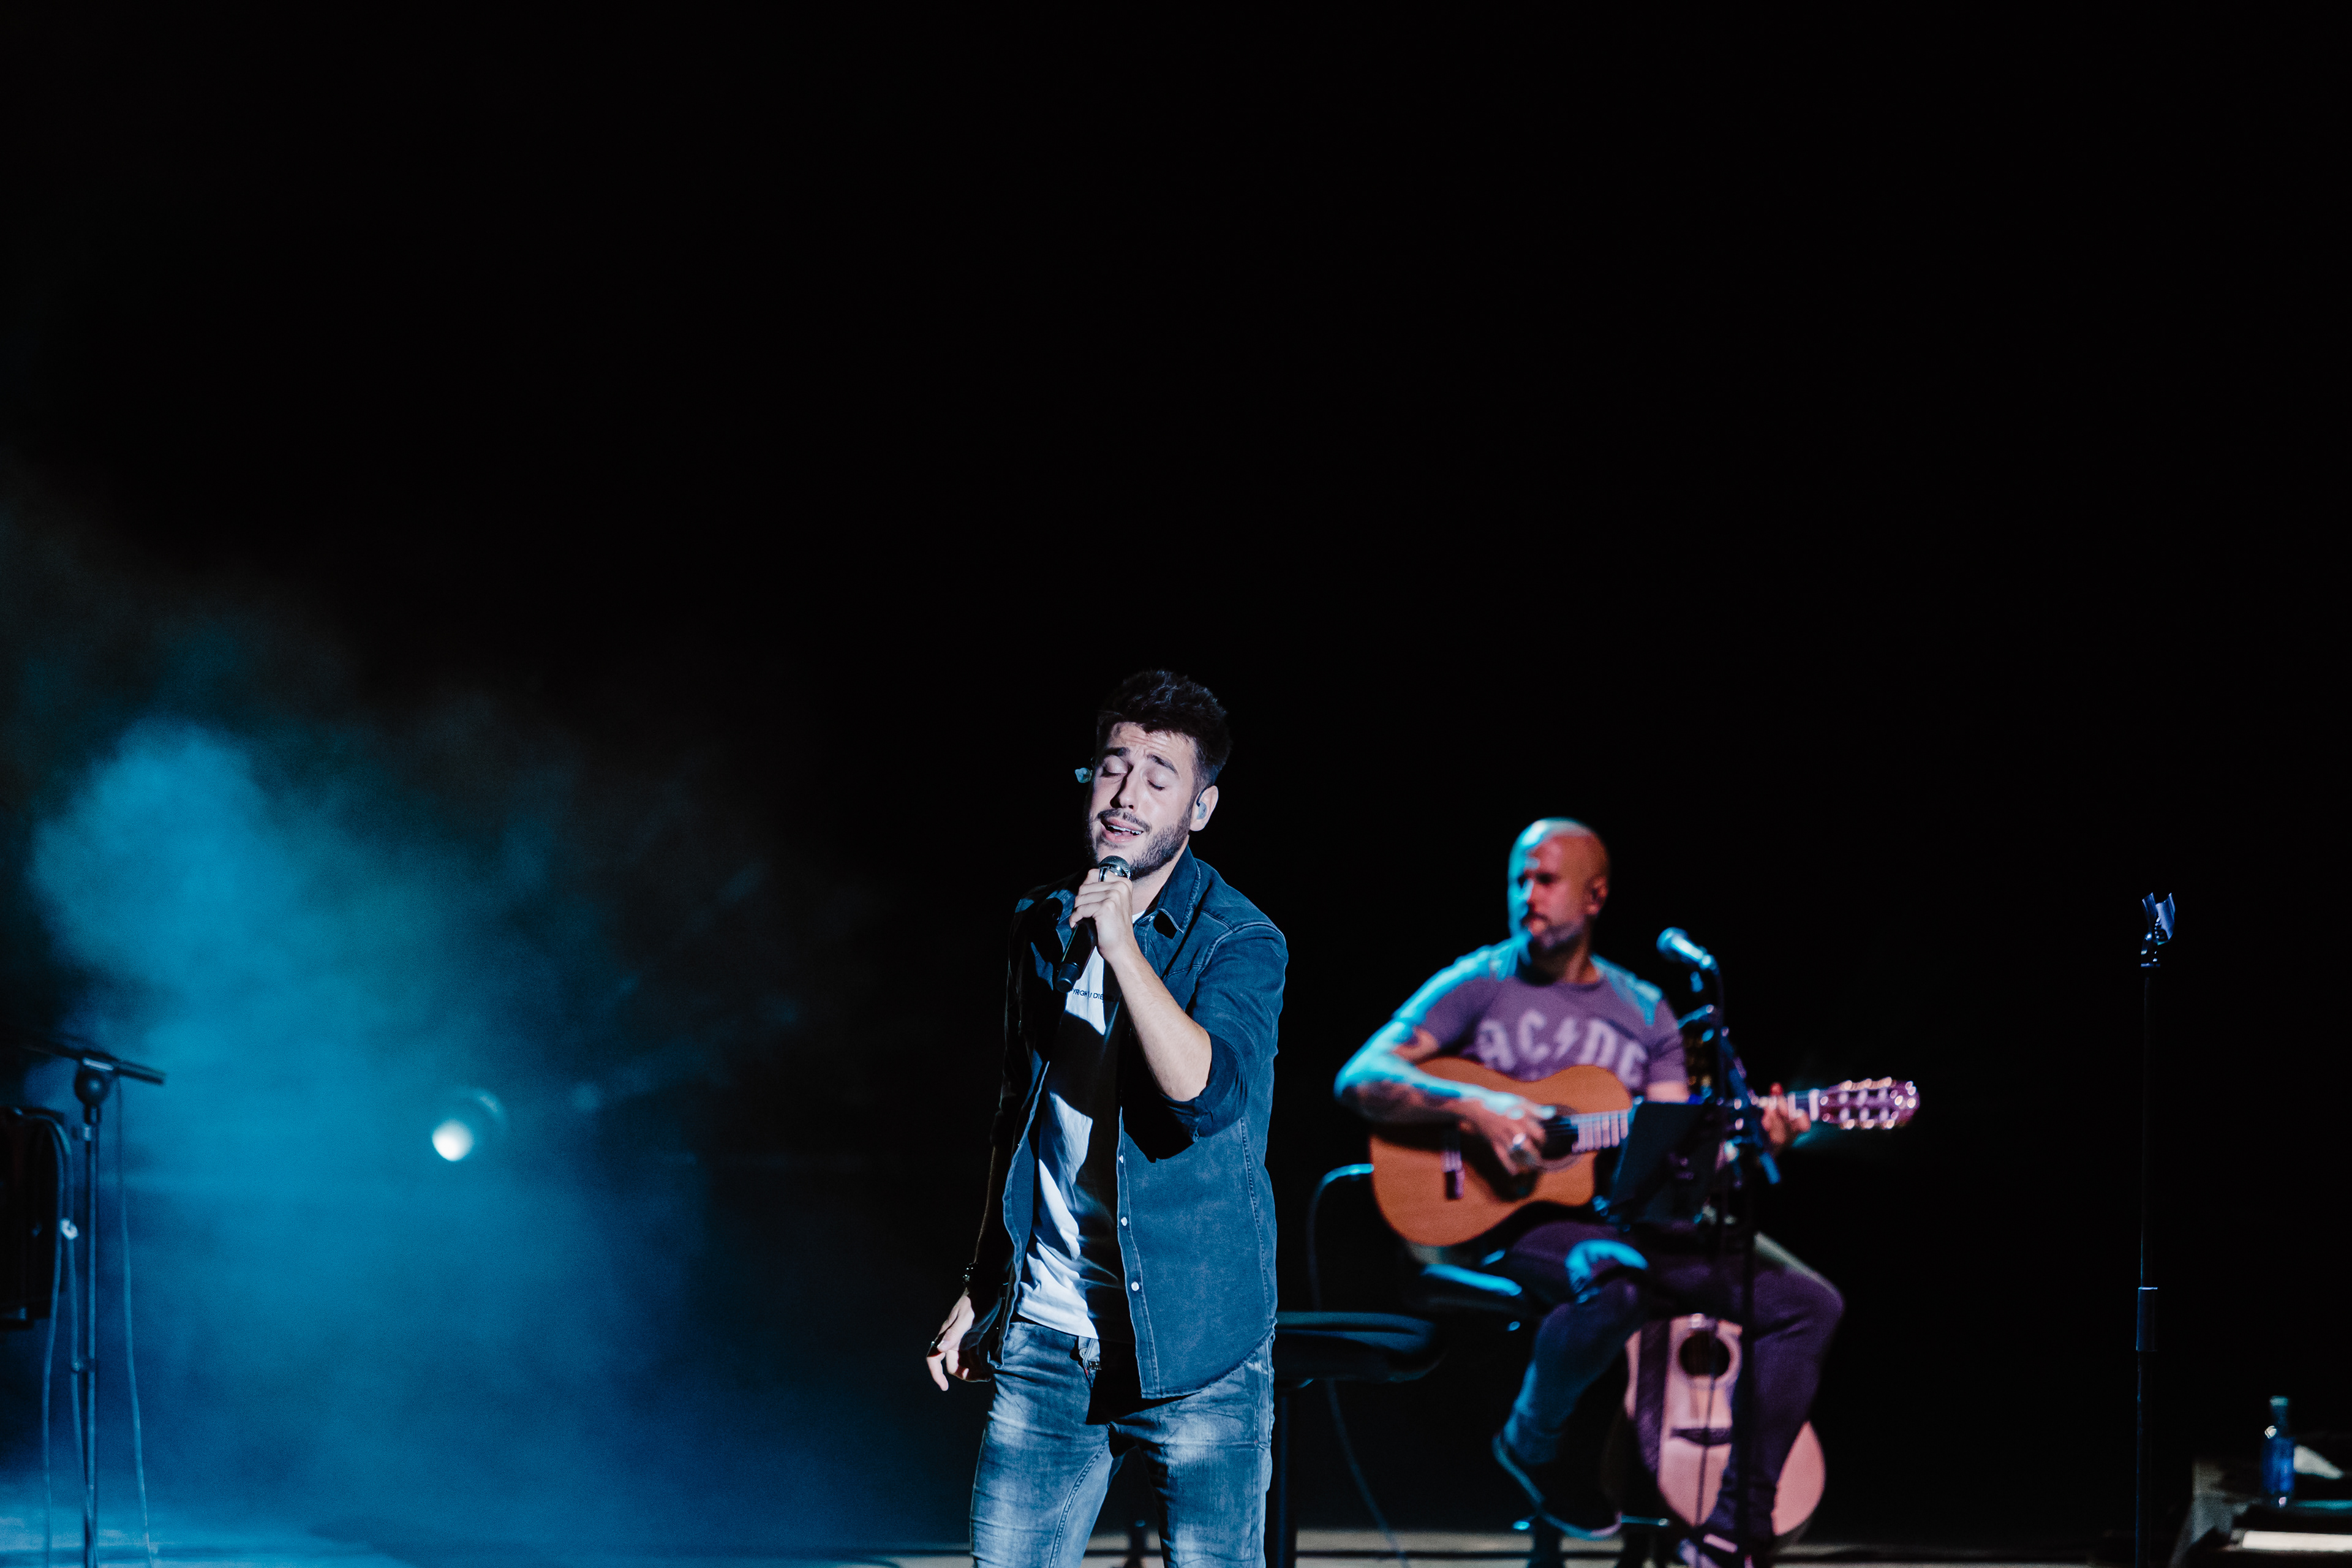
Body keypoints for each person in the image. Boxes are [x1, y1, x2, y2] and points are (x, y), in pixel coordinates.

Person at [1333, 818, 1842, 1566]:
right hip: (1515, 1224)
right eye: (1518, 879)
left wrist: (1748, 1141)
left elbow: (1679, 1157)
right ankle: (1530, 1442)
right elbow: (1362, 1076)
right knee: (1615, 1280)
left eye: (1545, 880)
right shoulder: (1481, 980)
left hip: (1628, 1223)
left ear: (1595, 896)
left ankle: (1734, 1529)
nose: (1526, 895)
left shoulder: (1646, 1011)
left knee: (1807, 1303)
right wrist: (1479, 1106)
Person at [927, 669, 1289, 1568]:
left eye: (1158, 777)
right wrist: (985, 1279)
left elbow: (1204, 1097)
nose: (1126, 795)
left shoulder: (1240, 940)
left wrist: (1124, 944)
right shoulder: (1042, 923)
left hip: (1199, 1344)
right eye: (1113, 768)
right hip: (1048, 1335)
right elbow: (1018, 1117)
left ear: (1201, 807)